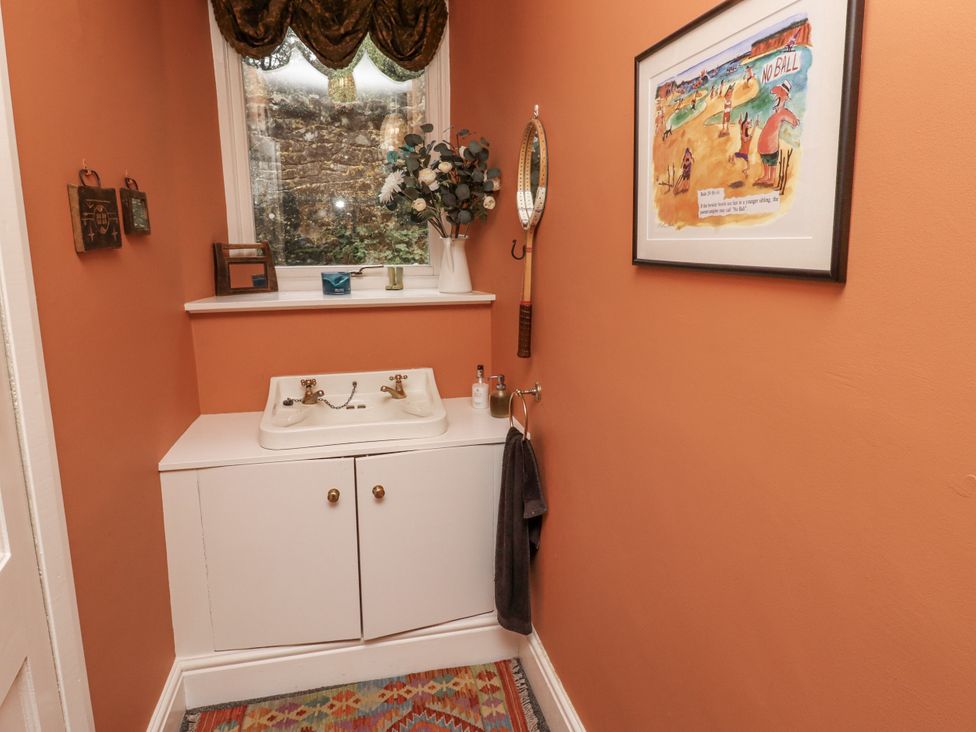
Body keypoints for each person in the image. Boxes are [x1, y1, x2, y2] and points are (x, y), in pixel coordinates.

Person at [755, 81, 799, 187]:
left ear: (783, 96)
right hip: (765, 144)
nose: (777, 95)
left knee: (771, 160)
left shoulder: (783, 111)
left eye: (779, 93)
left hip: (771, 145)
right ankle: (766, 176)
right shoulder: (777, 110)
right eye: (778, 94)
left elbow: (792, 119)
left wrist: (794, 121)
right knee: (765, 159)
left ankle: (770, 178)